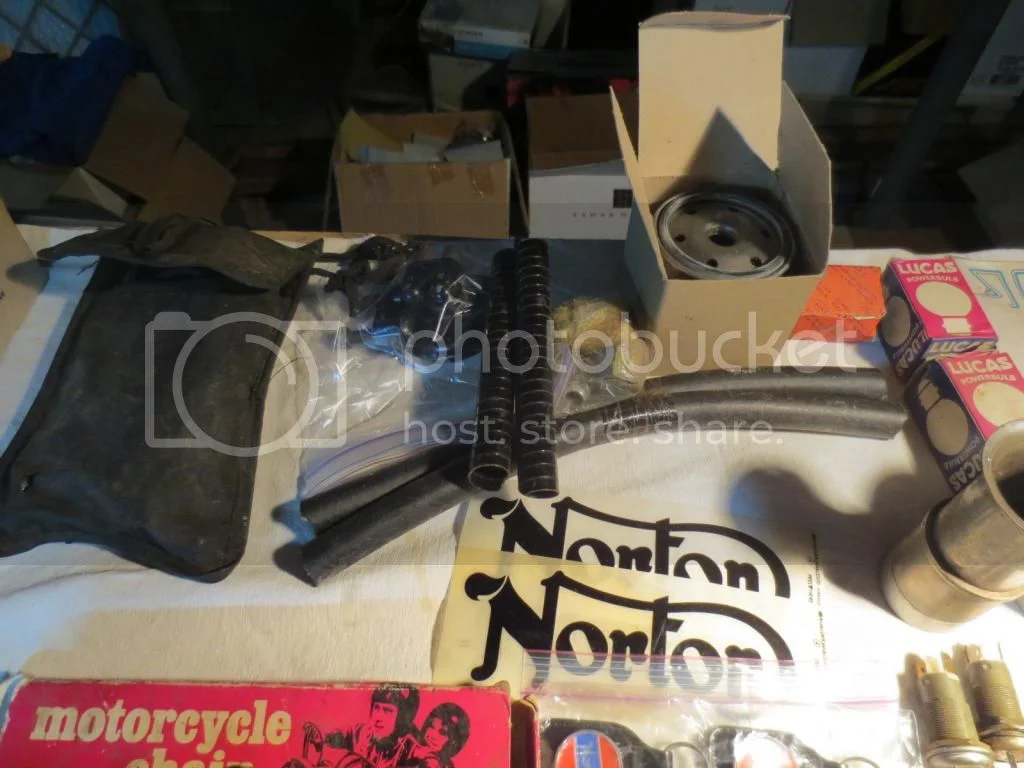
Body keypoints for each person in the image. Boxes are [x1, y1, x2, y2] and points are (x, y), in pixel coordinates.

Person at [293, 684, 421, 768]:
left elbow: (426, 756)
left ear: (400, 718)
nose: (378, 717)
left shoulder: (410, 748)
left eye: (387, 711)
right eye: (377, 708)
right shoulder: (361, 732)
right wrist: (322, 737)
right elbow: (342, 735)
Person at [399, 703, 470, 768]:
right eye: (432, 727)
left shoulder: (440, 765)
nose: (433, 735)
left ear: (453, 742)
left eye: (443, 733)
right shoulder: (406, 743)